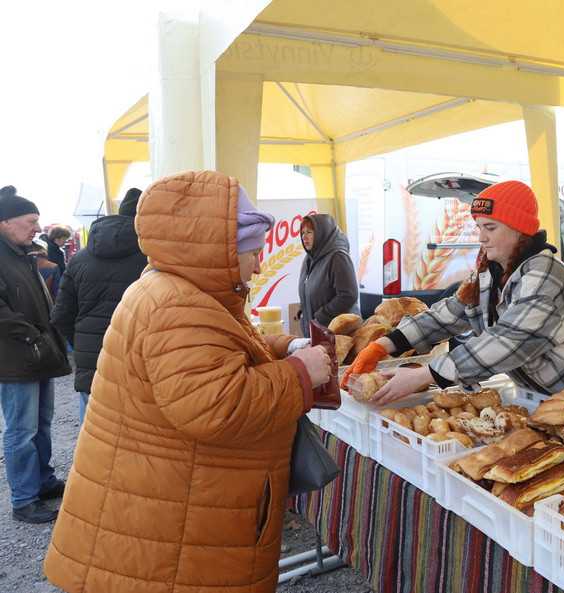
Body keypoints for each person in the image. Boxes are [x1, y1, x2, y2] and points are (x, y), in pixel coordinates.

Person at [44, 171, 332, 593]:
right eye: (252, 251)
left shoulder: (179, 291)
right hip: (169, 527)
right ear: (220, 249)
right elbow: (217, 407)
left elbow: (222, 351)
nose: (258, 262)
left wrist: (285, 347)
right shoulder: (178, 306)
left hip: (164, 505)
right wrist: (301, 374)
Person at [342, 180, 564, 404]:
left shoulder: (546, 275)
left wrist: (426, 375)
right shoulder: (490, 274)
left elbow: (509, 340)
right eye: (478, 228)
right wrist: (384, 345)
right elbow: (450, 313)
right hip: (562, 401)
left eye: (491, 228)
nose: (481, 238)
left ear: (519, 231)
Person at [0, 185, 71, 524]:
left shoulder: (23, 254)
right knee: (21, 430)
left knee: (41, 424)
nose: (36, 228)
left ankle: (43, 482)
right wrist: (32, 336)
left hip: (39, 353)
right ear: (5, 222)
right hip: (16, 359)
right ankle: (24, 499)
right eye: (30, 221)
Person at [51, 187, 148, 424]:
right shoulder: (152, 257)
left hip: (91, 358)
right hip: (137, 356)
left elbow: (61, 314)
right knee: (137, 429)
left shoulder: (80, 258)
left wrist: (81, 341)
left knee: (92, 426)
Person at [297, 213, 359, 337]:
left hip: (339, 335)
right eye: (302, 233)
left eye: (309, 232)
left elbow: (348, 295)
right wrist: (304, 310)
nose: (304, 237)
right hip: (317, 333)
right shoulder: (309, 259)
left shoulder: (338, 257)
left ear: (322, 233)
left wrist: (321, 316)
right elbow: (309, 289)